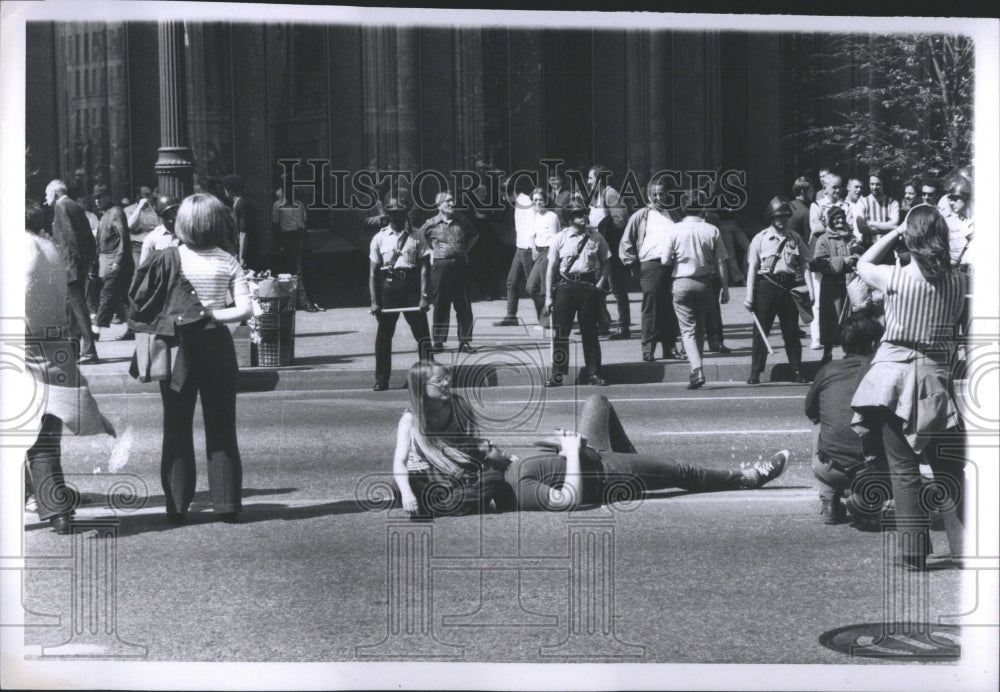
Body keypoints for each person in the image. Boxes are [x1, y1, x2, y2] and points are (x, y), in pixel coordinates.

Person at [393, 362, 789, 516]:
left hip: (590, 454)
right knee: (682, 471)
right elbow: (568, 499)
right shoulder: (518, 490)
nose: (489, 447)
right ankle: (745, 477)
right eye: (438, 381)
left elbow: (477, 449)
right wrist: (571, 453)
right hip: (601, 471)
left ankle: (640, 469)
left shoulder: (506, 467)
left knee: (598, 400)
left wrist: (561, 445)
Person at [850, 205, 967, 570]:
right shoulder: (959, 281)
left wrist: (893, 232)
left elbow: (861, 263)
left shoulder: (895, 278)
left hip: (891, 380)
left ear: (911, 238)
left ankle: (915, 552)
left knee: (903, 469)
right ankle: (966, 546)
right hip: (935, 380)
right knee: (949, 468)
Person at [129, 193, 252, 525]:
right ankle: (227, 505)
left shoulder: (169, 257)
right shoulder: (228, 261)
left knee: (177, 426)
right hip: (217, 345)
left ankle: (178, 504)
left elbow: (143, 303)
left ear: (182, 223)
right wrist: (213, 312)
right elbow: (245, 309)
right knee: (222, 426)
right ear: (216, 223)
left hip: (177, 348)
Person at [24, 199, 115, 534]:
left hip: (22, 345)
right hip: (55, 341)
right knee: (45, 433)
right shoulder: (49, 249)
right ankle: (56, 508)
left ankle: (49, 505)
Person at [805, 312, 884, 525]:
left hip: (828, 468)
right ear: (874, 343)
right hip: (869, 469)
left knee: (819, 421)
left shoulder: (828, 370)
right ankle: (865, 500)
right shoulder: (880, 370)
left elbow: (810, 411)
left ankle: (829, 498)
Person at [661, 190, 729, 389]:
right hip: (705, 283)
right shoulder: (712, 230)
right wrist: (725, 289)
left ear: (683, 208)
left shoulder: (674, 230)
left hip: (681, 282)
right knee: (699, 328)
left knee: (688, 330)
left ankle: (696, 369)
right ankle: (697, 368)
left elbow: (665, 260)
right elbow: (722, 262)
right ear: (703, 207)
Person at [544, 199, 611, 387]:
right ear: (571, 217)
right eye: (580, 214)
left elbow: (606, 263)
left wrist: (599, 284)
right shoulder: (560, 238)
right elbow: (551, 267)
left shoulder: (596, 237)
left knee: (590, 332)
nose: (584, 217)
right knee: (560, 334)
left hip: (588, 286)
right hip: (565, 286)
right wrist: (548, 296)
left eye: (584, 213)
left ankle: (594, 372)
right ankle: (557, 374)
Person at [369, 197, 433, 391]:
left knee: (422, 335)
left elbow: (424, 269)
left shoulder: (416, 236)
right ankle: (382, 379)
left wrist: (424, 296)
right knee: (384, 336)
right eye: (393, 214)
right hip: (388, 289)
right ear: (388, 216)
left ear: (405, 215)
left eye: (400, 213)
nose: (397, 217)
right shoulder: (379, 238)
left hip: (411, 288)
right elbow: (372, 273)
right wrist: (374, 301)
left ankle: (429, 377)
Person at [745, 196, 809, 385]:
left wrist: (809, 290)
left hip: (788, 287)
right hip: (766, 286)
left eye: (784, 217)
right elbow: (752, 268)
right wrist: (749, 296)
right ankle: (755, 372)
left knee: (791, 331)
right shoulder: (760, 238)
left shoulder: (795, 238)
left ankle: (797, 370)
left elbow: (805, 263)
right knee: (760, 330)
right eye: (777, 217)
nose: (781, 221)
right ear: (771, 218)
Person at [619, 179, 681, 362]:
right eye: (655, 194)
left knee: (671, 307)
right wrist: (631, 264)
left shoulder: (674, 214)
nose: (659, 197)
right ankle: (648, 349)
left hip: (672, 265)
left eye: (662, 194)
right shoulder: (641, 216)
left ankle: (670, 347)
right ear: (648, 196)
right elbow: (626, 241)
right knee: (651, 308)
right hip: (651, 265)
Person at [44, 179, 98, 363]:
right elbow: (88, 236)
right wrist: (88, 260)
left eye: (47, 194)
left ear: (55, 193)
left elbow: (68, 235)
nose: (46, 198)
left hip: (69, 264)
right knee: (73, 307)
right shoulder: (74, 205)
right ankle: (74, 347)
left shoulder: (61, 206)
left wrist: (73, 260)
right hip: (77, 263)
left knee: (77, 307)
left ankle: (89, 350)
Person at [420, 191, 479, 353]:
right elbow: (420, 238)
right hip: (440, 267)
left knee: (464, 305)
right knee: (440, 304)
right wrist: (431, 251)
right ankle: (438, 341)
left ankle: (465, 341)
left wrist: (465, 250)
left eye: (453, 201)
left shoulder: (462, 220)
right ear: (438, 205)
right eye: (448, 202)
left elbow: (474, 235)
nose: (452, 204)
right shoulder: (431, 223)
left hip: (460, 265)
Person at [586, 164, 631, 339]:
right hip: (599, 250)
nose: (588, 182)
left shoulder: (610, 194)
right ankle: (602, 323)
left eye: (591, 178)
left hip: (610, 249)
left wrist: (604, 228)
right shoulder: (597, 195)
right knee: (598, 288)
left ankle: (623, 327)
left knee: (617, 289)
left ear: (599, 179)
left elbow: (621, 219)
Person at [808, 174, 850, 351]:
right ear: (825, 188)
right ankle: (817, 336)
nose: (837, 190)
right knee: (820, 300)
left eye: (840, 187)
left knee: (845, 302)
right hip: (823, 253)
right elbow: (816, 227)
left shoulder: (846, 205)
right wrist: (835, 225)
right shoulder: (817, 205)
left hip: (843, 253)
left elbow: (852, 225)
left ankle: (844, 336)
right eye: (834, 187)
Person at [494, 184, 545, 326]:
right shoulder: (519, 202)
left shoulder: (525, 203)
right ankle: (511, 315)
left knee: (532, 285)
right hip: (520, 247)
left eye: (504, 193)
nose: (504, 197)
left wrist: (533, 247)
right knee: (511, 281)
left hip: (528, 248)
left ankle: (543, 317)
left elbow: (532, 226)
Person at [810, 206, 856, 366]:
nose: (840, 221)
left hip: (850, 284)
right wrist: (842, 261)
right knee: (831, 319)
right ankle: (827, 352)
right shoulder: (823, 239)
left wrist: (857, 254)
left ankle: (849, 352)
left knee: (849, 319)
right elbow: (819, 262)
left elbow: (861, 253)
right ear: (829, 220)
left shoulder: (850, 237)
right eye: (836, 218)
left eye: (842, 218)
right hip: (832, 286)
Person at [93, 184, 134, 341]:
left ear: (108, 197)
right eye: (95, 198)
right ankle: (133, 328)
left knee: (107, 294)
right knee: (124, 297)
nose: (97, 201)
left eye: (100, 197)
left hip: (115, 262)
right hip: (107, 262)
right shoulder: (105, 215)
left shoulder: (116, 212)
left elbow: (124, 238)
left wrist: (118, 260)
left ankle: (96, 329)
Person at [273, 187, 323, 312]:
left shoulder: (280, 204)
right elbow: (303, 220)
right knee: (297, 269)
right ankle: (303, 301)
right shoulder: (295, 204)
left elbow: (276, 224)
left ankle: (305, 300)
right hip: (293, 236)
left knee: (300, 268)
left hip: (296, 236)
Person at [854, 169, 900, 258]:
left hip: (887, 249)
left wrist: (871, 223)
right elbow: (861, 228)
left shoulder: (892, 203)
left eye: (878, 184)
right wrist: (887, 228)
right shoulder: (862, 202)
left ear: (884, 184)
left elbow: (894, 225)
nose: (874, 187)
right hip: (868, 248)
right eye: (872, 184)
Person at [138, 195, 181, 266]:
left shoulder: (187, 234)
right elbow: (143, 268)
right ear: (161, 216)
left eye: (177, 211)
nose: (175, 216)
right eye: (170, 213)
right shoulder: (152, 238)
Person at [124, 185, 159, 268]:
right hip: (137, 246)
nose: (150, 197)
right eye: (146, 195)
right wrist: (140, 207)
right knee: (139, 269)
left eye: (150, 194)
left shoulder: (154, 210)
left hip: (153, 246)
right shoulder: (129, 210)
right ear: (138, 196)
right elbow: (130, 225)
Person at [222, 174, 253, 264]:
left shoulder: (241, 204)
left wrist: (241, 256)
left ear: (229, 191)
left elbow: (243, 232)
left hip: (246, 251)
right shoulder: (238, 204)